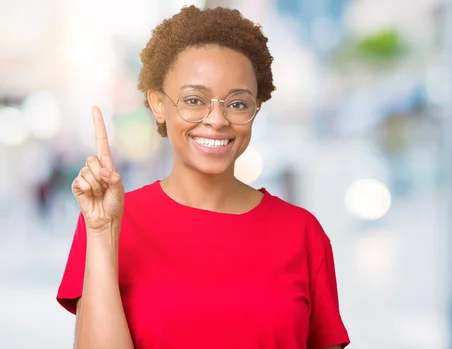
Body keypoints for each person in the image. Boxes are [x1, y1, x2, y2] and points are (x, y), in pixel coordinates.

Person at [56, 5, 350, 349]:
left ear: (256, 108)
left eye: (238, 104)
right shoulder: (110, 222)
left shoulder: (302, 234)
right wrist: (104, 232)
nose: (217, 119)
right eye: (194, 100)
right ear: (157, 104)